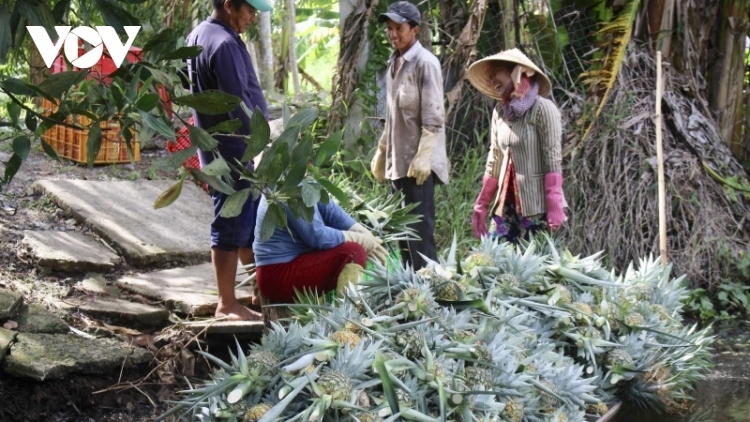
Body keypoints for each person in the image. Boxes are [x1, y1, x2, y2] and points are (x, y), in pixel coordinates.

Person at [185, 0, 273, 321]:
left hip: (215, 148)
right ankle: (227, 303)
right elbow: (239, 106)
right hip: (235, 151)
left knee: (244, 226)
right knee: (230, 223)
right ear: (229, 5)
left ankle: (261, 289)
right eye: (249, 9)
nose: (253, 16)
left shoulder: (199, 35)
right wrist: (260, 147)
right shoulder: (223, 44)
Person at [370, 1, 450, 271]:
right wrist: (382, 151)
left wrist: (424, 156)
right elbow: (394, 116)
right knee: (401, 231)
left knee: (419, 232)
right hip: (398, 161)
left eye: (399, 28)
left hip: (418, 165)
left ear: (415, 29)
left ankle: (430, 293)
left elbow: (434, 116)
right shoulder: (394, 62)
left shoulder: (425, 63)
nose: (393, 34)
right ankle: (409, 291)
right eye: (389, 29)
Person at [466, 48, 566, 243]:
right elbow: (495, 158)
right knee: (497, 261)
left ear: (516, 72)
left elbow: (552, 158)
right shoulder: (500, 112)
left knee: (536, 268)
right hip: (506, 205)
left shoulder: (543, 109)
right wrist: (482, 204)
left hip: (537, 206)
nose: (492, 81)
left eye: (496, 73)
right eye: (489, 78)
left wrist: (555, 204)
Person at [252, 195, 388, 303]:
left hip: (289, 266)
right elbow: (317, 236)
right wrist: (359, 239)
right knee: (353, 252)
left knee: (352, 248)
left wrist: (364, 233)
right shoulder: (288, 187)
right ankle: (350, 321)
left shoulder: (303, 179)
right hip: (277, 275)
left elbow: (331, 212)